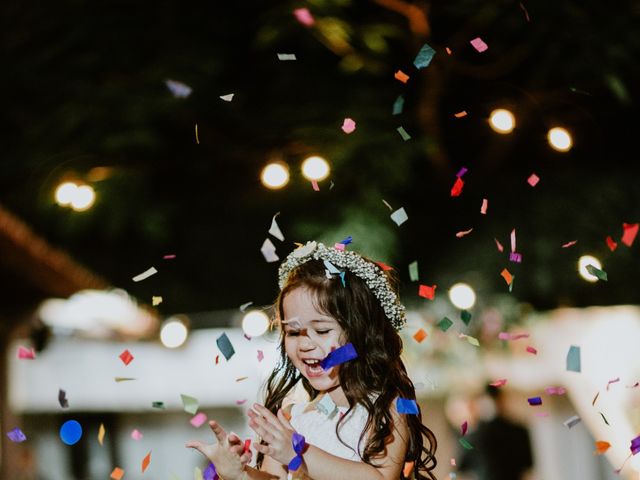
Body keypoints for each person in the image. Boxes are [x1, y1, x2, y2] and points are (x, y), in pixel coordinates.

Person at [187, 240, 437, 479]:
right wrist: (240, 474)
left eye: (322, 330)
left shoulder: (387, 405)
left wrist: (299, 452)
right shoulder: (291, 417)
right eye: (294, 332)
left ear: (361, 332)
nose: (306, 344)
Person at [457, 385, 533, 480]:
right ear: (503, 399)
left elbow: (460, 468)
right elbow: (528, 465)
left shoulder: (476, 436)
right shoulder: (519, 430)